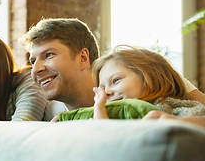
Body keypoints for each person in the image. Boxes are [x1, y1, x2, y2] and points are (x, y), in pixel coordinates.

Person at [20, 18, 205, 125]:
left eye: (49, 55)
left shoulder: (146, 74)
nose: (36, 69)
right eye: (33, 61)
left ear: (83, 58)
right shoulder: (49, 111)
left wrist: (175, 123)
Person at [53, 45, 205, 122]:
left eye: (116, 80)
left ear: (149, 77)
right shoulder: (118, 113)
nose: (106, 92)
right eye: (103, 87)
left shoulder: (174, 108)